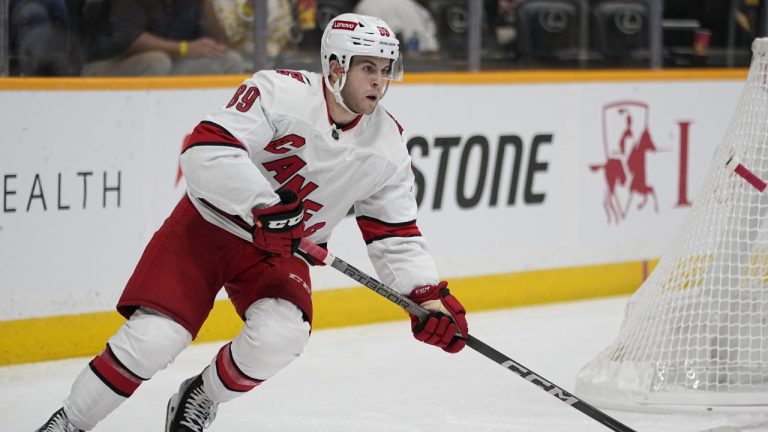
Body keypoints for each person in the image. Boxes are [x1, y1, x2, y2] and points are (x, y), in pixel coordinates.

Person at [35, 12, 469, 432]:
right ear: (336, 66)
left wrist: (426, 297)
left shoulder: (388, 145)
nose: (379, 80)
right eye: (367, 68)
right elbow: (205, 149)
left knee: (282, 336)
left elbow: (395, 233)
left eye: (386, 69)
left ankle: (200, 396)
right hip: (208, 225)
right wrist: (263, 203)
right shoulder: (280, 92)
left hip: (279, 251)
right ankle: (69, 422)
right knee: (155, 338)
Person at [80, 0, 247, 76]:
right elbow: (129, 39)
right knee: (156, 61)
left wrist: (205, 3)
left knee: (230, 61)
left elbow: (217, 41)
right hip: (105, 67)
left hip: (169, 65)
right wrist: (183, 48)